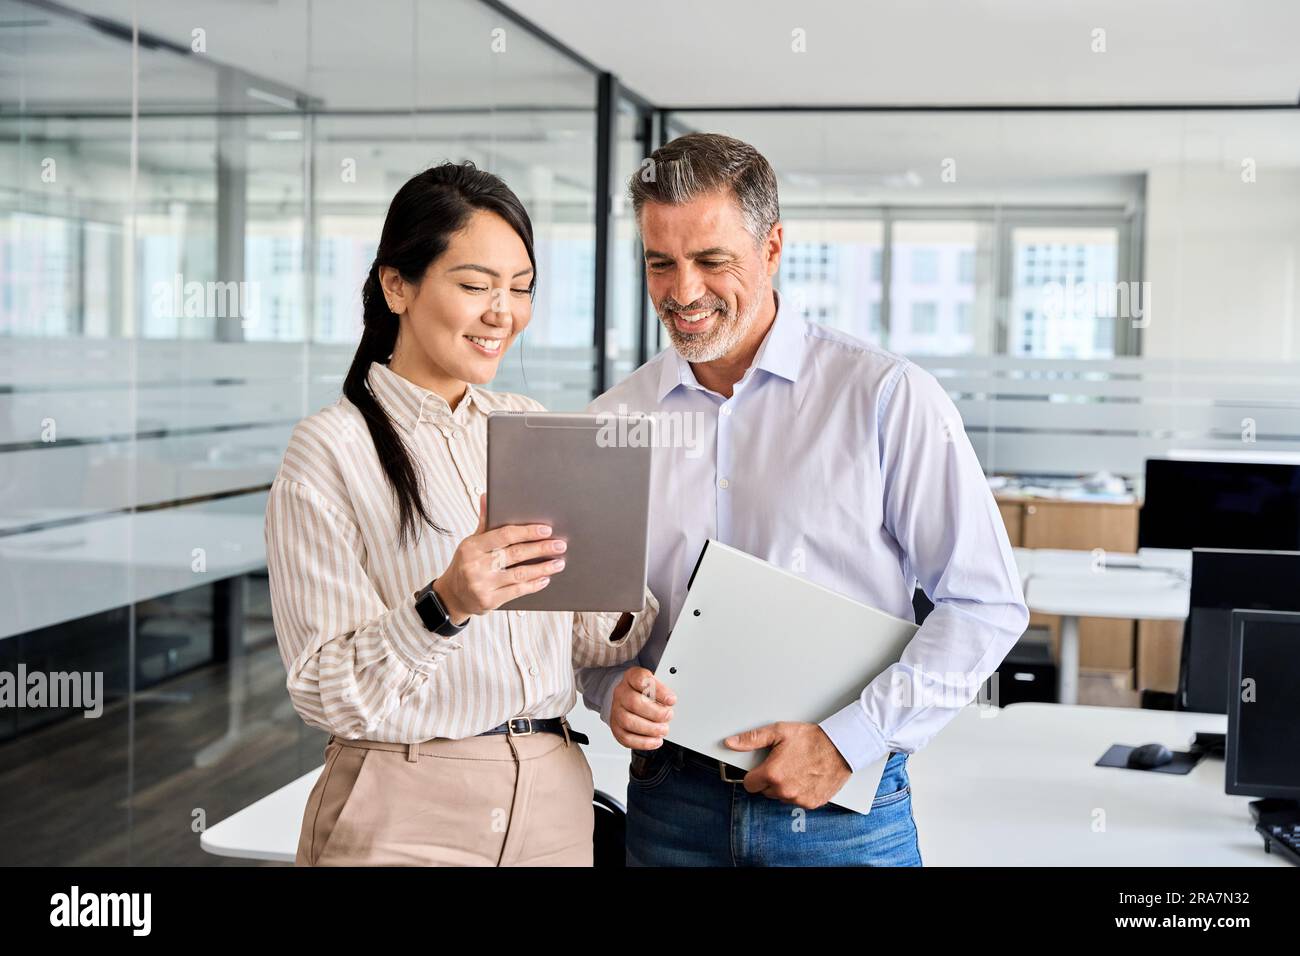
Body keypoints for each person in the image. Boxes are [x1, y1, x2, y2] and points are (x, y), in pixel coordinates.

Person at [578, 133, 1029, 866]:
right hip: (671, 806)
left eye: (712, 260)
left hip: (844, 810)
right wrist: (608, 690)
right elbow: (594, 630)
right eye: (661, 263)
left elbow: (985, 602)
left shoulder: (886, 396)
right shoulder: (612, 423)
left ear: (774, 245)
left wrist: (854, 739)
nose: (683, 291)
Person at [265, 162, 657, 866]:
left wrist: (615, 581)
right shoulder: (329, 449)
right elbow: (324, 693)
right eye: (475, 286)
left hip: (555, 797)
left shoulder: (530, 426)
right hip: (407, 804)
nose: (502, 312)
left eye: (521, 289)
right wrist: (445, 604)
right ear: (397, 285)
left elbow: (598, 643)